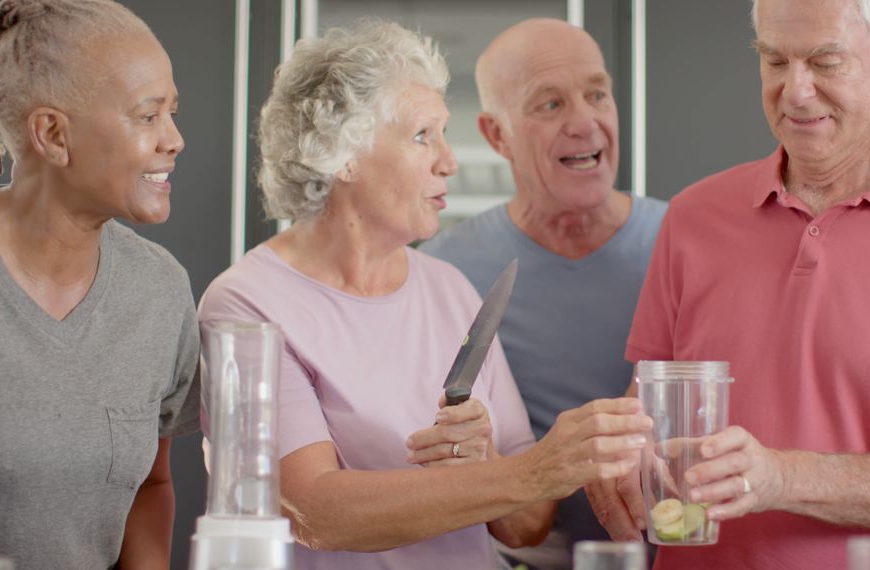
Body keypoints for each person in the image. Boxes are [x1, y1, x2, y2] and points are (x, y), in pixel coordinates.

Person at [196, 19, 651, 570]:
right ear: (342, 153)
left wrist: (482, 459)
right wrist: (524, 475)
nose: (448, 161)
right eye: (422, 136)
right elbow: (315, 510)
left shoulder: (449, 287)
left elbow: (528, 526)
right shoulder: (247, 304)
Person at [585, 1, 870, 568]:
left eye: (825, 61)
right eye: (774, 61)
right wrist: (622, 456)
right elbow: (647, 404)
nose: (795, 91)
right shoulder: (693, 217)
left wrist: (780, 477)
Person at [0, 1, 199, 568]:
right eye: (148, 116)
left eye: (173, 113)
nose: (175, 139)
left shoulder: (160, 290)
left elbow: (151, 485)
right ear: (53, 135)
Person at [419, 19, 667, 566]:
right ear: (496, 135)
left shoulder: (684, 245)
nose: (585, 122)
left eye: (597, 94)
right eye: (549, 105)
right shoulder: (446, 271)